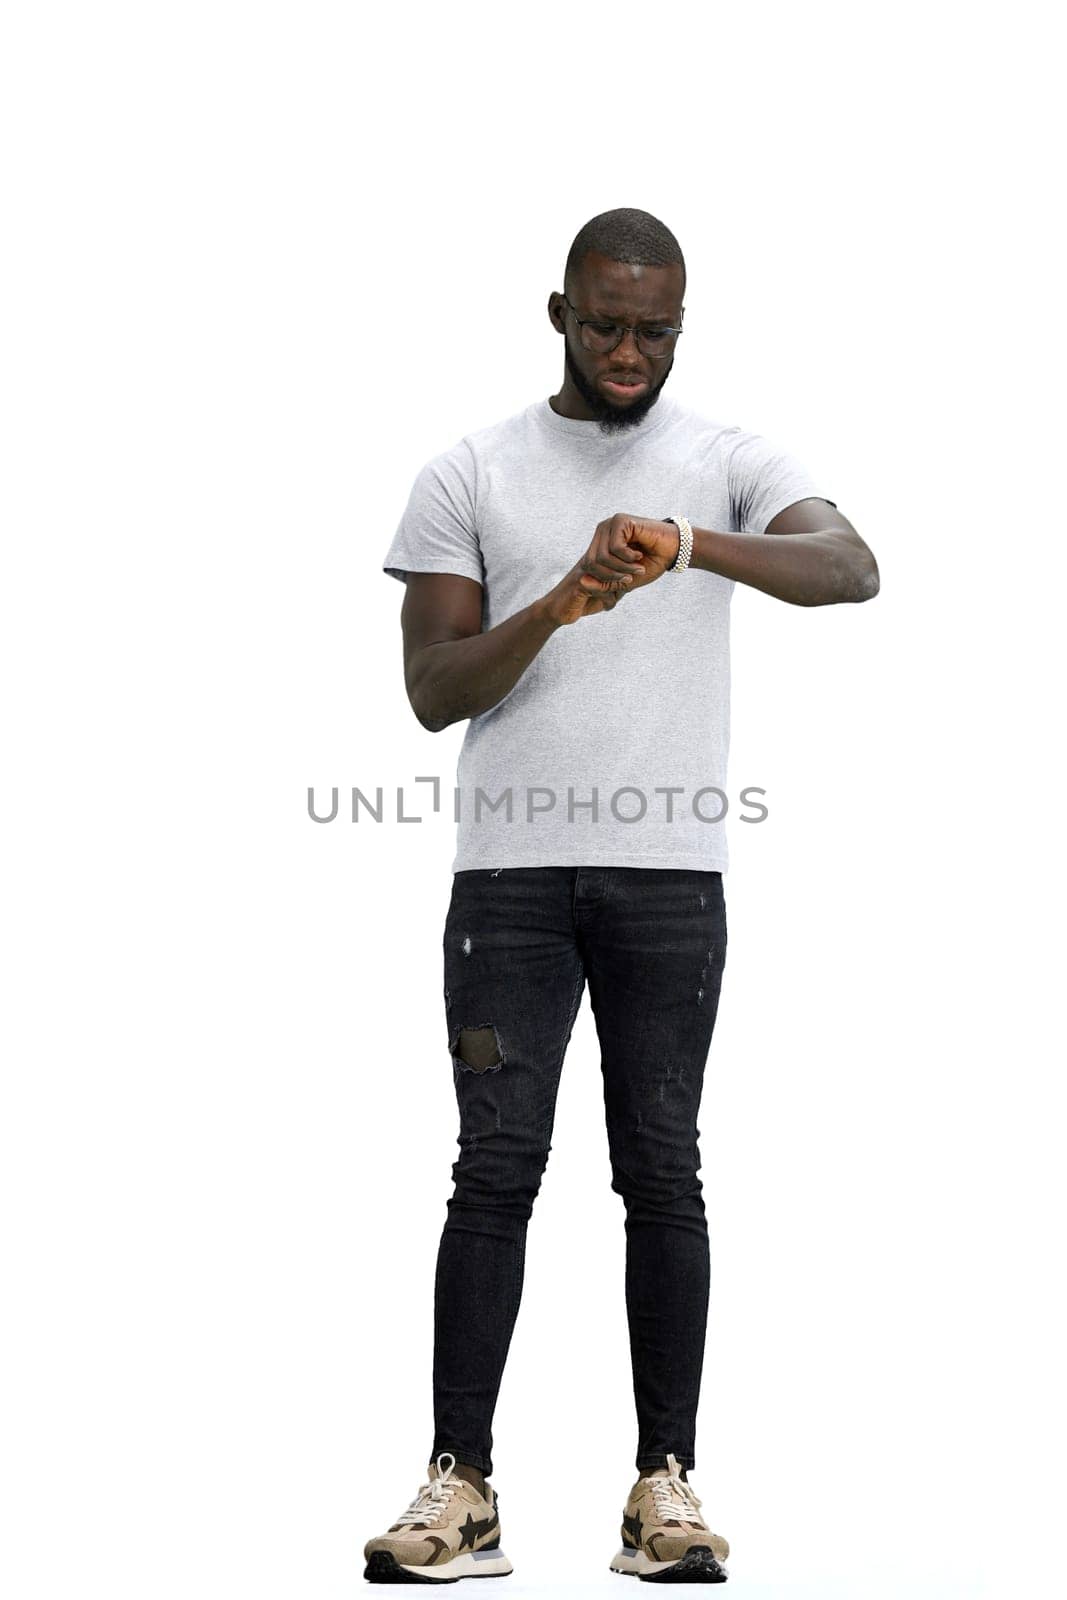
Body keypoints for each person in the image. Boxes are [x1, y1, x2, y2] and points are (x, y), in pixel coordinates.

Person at [364, 208, 879, 1585]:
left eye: (657, 328)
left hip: (670, 885)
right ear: (559, 313)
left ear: (682, 321)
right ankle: (459, 1489)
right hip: (509, 887)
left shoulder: (728, 456)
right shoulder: (466, 468)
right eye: (606, 324)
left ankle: (665, 1488)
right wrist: (562, 604)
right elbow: (430, 693)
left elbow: (851, 570)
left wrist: (695, 546)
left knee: (663, 1176)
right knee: (494, 1175)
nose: (631, 350)